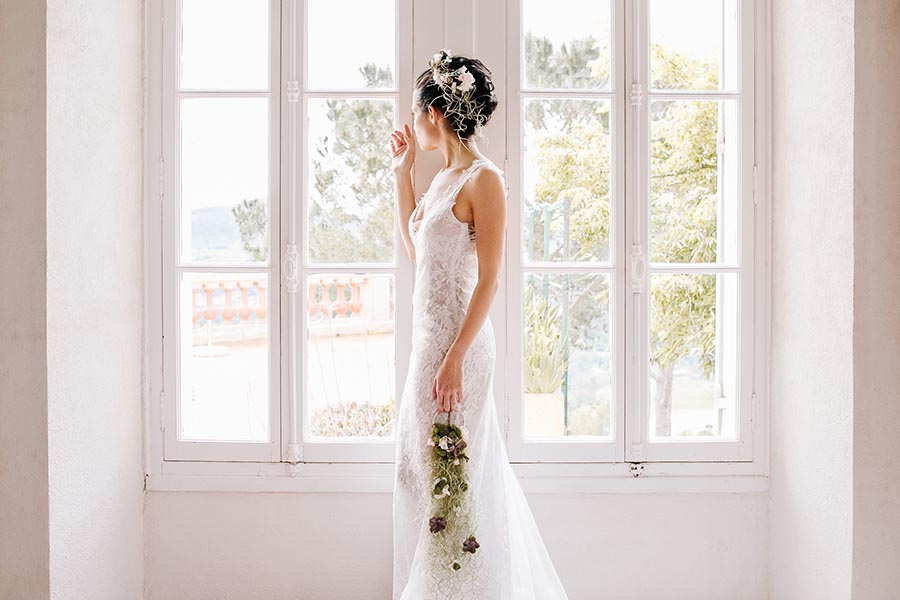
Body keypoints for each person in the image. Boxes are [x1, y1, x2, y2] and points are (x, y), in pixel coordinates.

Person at [387, 48, 569, 600]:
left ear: (434, 113)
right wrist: (401, 176)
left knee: (453, 477)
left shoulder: (484, 180)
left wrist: (455, 358)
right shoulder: (443, 178)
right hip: (428, 346)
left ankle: (463, 589)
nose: (412, 122)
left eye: (415, 111)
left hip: (459, 349)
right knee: (419, 473)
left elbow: (490, 278)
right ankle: (442, 588)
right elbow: (417, 253)